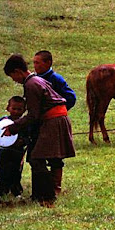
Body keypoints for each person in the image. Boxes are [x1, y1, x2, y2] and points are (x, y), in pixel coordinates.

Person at [2, 54, 75, 207]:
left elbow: (33, 115)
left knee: (36, 158)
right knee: (50, 157)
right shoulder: (36, 80)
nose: (14, 80)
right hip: (56, 119)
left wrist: (13, 127)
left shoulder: (31, 84)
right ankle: (46, 193)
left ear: (17, 71)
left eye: (12, 76)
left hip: (53, 121)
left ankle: (47, 196)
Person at [32, 50, 76, 195]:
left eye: (38, 62)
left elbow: (70, 97)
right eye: (34, 62)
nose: (35, 66)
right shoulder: (34, 79)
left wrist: (58, 110)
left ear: (48, 63)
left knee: (56, 156)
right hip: (40, 122)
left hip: (53, 121)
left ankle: (56, 187)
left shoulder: (56, 79)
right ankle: (44, 186)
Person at [0, 96, 28, 198]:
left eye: (19, 109)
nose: (16, 112)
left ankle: (16, 190)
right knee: (3, 171)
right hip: (4, 150)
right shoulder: (3, 121)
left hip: (18, 151)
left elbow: (28, 135)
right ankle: (1, 191)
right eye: (14, 108)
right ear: (8, 108)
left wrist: (23, 141)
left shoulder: (24, 123)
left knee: (16, 171)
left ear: (24, 110)